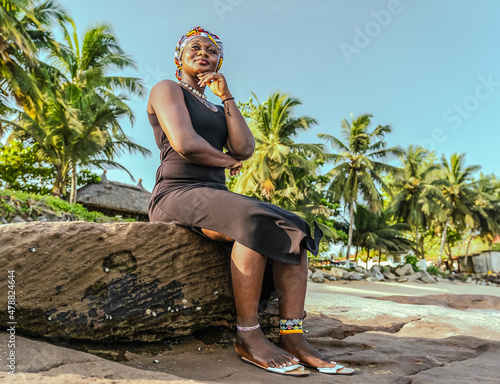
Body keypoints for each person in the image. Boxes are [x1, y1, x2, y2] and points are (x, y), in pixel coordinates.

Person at [147, 26, 354, 376]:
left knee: (295, 226)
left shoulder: (215, 106)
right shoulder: (166, 89)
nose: (203, 53)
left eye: (211, 51)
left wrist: (226, 96)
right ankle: (248, 335)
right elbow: (185, 143)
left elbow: (244, 147)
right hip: (177, 191)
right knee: (252, 222)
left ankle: (292, 335)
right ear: (178, 59)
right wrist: (227, 162)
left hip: (213, 194)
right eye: (194, 48)